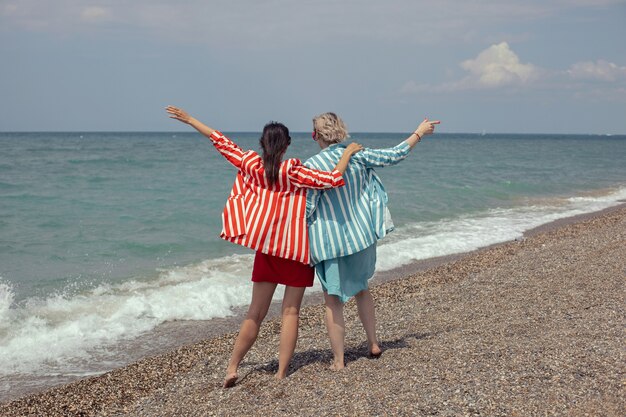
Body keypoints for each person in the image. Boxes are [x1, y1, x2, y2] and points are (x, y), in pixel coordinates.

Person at [165, 106, 363, 387]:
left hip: (268, 251)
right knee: (290, 312)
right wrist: (345, 154)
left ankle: (232, 367)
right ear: (288, 145)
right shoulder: (293, 170)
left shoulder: (251, 164)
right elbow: (332, 180)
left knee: (254, 313)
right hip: (295, 252)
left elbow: (220, 141)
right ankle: (281, 372)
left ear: (262, 143)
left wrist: (190, 119)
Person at [305, 112, 439, 370]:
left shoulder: (312, 165)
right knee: (362, 289)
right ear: (341, 131)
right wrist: (419, 132)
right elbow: (394, 155)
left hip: (330, 241)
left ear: (317, 136)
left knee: (333, 300)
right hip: (361, 237)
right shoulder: (358, 154)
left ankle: (339, 360)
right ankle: (373, 343)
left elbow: (309, 205)